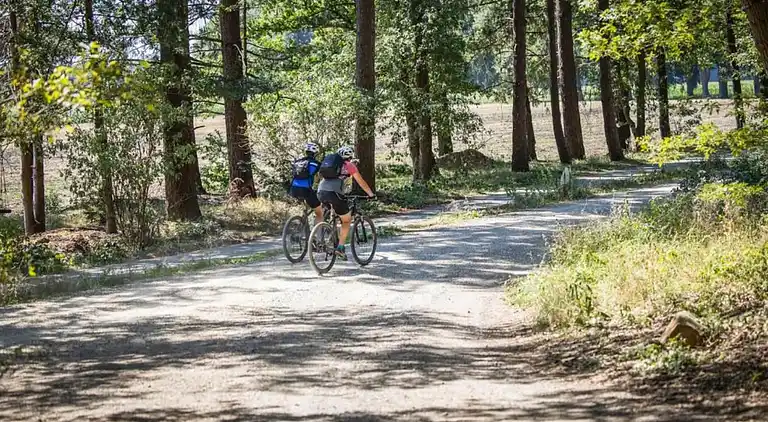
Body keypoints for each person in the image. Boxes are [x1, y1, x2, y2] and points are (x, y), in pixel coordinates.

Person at [317, 145, 374, 260]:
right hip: (335, 193)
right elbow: (361, 181)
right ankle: (340, 248)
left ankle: (325, 236)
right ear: (350, 156)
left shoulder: (331, 165)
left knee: (332, 211)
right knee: (346, 220)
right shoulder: (349, 165)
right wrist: (371, 194)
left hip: (321, 191)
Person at [289, 143, 323, 226]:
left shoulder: (297, 162)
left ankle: (303, 224)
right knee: (319, 213)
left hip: (293, 189)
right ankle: (317, 233)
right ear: (315, 153)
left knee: (307, 206)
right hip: (306, 190)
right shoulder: (315, 163)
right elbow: (320, 177)